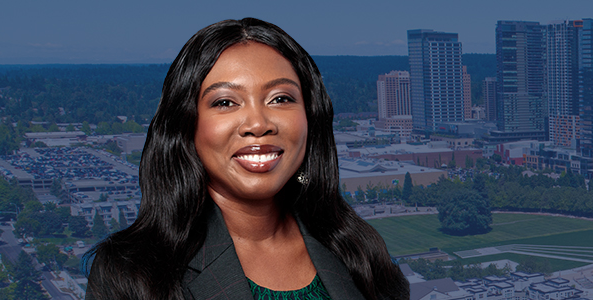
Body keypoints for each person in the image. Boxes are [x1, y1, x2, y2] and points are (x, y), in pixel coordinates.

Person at [86, 18, 409, 300]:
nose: (258, 124)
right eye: (225, 102)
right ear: (187, 124)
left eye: (281, 98)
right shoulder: (132, 271)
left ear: (310, 117)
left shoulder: (356, 249)